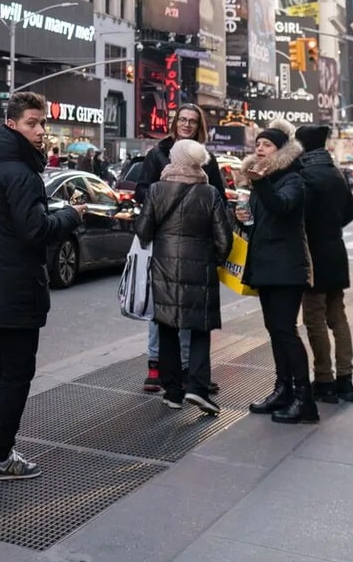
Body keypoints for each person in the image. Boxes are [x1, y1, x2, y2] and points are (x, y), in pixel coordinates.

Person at [0, 90, 84, 480]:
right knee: (15, 374)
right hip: (15, 290)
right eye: (32, 122)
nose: (41, 130)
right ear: (12, 124)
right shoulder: (21, 172)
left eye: (43, 122)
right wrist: (71, 217)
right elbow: (36, 230)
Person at [134, 105, 227, 394]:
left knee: (187, 310)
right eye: (183, 119)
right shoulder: (157, 154)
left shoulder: (205, 159)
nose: (186, 124)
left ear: (199, 126)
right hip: (164, 239)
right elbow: (142, 191)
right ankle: (157, 366)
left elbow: (219, 199)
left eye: (192, 121)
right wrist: (163, 196)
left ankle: (187, 372)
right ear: (175, 122)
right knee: (161, 308)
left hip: (194, 243)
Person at [241, 121, 317, 424]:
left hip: (287, 267)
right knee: (275, 330)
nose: (259, 149)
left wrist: (259, 184)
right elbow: (263, 220)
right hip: (266, 265)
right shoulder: (265, 182)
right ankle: (282, 389)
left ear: (280, 151)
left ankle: (304, 399)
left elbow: (283, 207)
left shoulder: (292, 180)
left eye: (267, 145)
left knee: (285, 330)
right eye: (257, 144)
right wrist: (245, 219)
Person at [295, 122, 353, 405]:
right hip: (336, 251)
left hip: (313, 255)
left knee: (314, 319)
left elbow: (297, 216)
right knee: (338, 317)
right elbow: (351, 211)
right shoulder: (336, 173)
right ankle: (346, 380)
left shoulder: (304, 176)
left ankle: (324, 378)